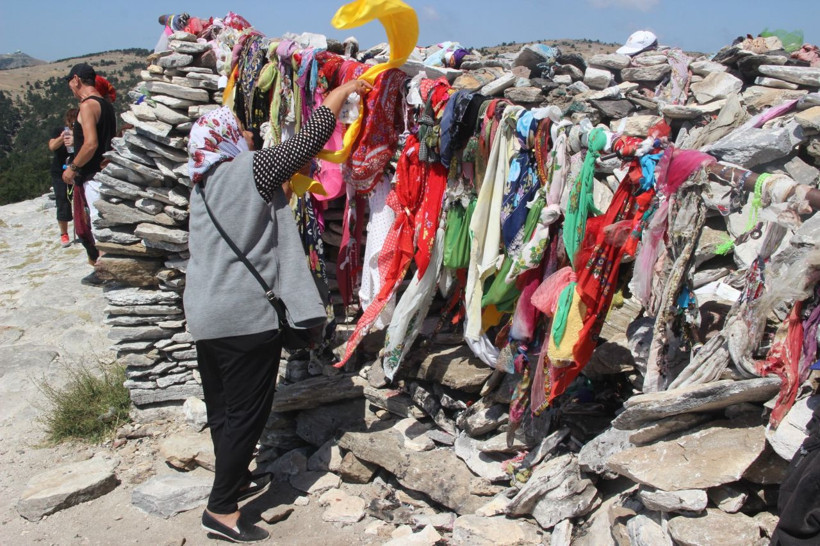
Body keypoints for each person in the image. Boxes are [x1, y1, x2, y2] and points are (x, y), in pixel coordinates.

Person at [184, 77, 371, 544]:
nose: (248, 135)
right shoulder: (248, 170)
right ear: (226, 136)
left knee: (225, 409)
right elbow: (309, 137)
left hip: (206, 316)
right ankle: (221, 509)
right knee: (249, 412)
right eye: (241, 128)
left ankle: (232, 482)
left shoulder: (202, 185)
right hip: (245, 317)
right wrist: (342, 90)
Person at [62, 63, 117, 285]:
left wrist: (72, 168)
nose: (71, 89)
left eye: (70, 84)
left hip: (93, 173)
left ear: (76, 79)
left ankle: (103, 268)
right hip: (105, 170)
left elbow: (91, 144)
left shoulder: (87, 106)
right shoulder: (105, 104)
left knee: (96, 220)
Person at [48, 108, 78, 247]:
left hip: (77, 169)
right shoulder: (58, 131)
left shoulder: (81, 131)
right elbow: (52, 146)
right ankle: (64, 233)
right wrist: (62, 136)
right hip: (59, 171)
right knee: (62, 201)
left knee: (80, 201)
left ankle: (84, 228)